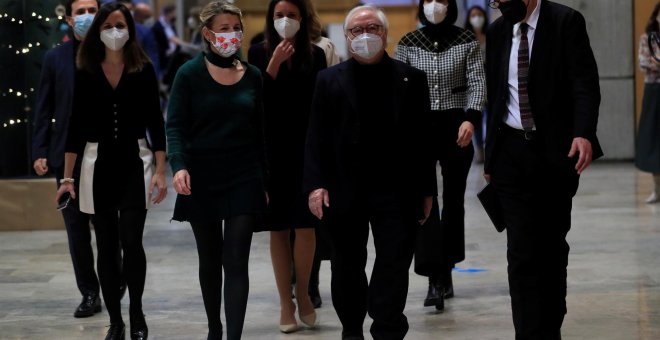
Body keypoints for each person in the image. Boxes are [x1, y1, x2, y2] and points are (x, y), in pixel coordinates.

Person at [304, 5, 436, 339]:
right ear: (346, 37)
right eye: (357, 30)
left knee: (394, 261)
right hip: (344, 187)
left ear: (386, 34)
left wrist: (427, 190)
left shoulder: (411, 78)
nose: (365, 36)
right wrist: (316, 184)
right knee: (347, 264)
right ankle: (351, 328)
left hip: (397, 189)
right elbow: (315, 136)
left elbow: (423, 139)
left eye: (373, 28)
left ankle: (387, 324)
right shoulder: (328, 80)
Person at [484, 0, 602, 338]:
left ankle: (549, 325)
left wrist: (583, 133)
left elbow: (584, 83)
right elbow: (497, 96)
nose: (501, 4)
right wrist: (492, 155)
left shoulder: (566, 21)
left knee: (550, 248)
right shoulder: (496, 31)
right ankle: (528, 332)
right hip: (510, 152)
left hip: (554, 151)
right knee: (521, 252)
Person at [55, 3, 167, 339]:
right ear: (98, 30)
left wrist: (161, 170)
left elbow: (155, 123)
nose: (115, 30)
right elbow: (74, 127)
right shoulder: (85, 68)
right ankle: (116, 321)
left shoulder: (142, 69)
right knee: (105, 244)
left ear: (131, 29)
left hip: (135, 160)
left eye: (121, 24)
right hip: (95, 164)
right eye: (109, 25)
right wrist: (67, 178)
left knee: (132, 241)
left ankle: (137, 314)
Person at [166, 2, 268, 339]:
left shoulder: (253, 76)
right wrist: (178, 166)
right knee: (209, 258)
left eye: (235, 28)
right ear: (208, 34)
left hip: (244, 173)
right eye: (223, 29)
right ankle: (214, 327)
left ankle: (234, 336)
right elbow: (176, 126)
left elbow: (262, 132)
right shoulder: (189, 74)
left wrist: (266, 180)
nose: (232, 35)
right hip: (202, 174)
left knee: (236, 258)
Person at [394, 0, 486, 311]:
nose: (436, 5)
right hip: (420, 127)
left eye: (442, 0)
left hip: (455, 124)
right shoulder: (408, 42)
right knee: (425, 201)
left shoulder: (466, 40)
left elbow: (477, 82)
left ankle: (448, 268)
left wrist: (470, 119)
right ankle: (433, 274)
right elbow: (398, 87)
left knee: (455, 201)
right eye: (429, 0)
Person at [247, 0, 326, 333]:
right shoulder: (257, 53)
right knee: (278, 229)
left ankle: (305, 293)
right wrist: (274, 64)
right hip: (272, 151)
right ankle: (285, 302)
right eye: (279, 16)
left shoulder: (316, 55)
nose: (284, 21)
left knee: (306, 227)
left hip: (306, 150)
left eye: (291, 16)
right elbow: (255, 102)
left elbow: (321, 104)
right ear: (270, 18)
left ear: (302, 19)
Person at [32, 0, 106, 320]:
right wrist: (39, 151)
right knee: (76, 229)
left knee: (107, 226)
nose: (87, 16)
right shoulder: (54, 58)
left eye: (92, 9)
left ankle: (114, 279)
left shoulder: (112, 52)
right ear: (70, 16)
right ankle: (89, 293)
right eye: (81, 11)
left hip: (106, 154)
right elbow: (44, 108)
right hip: (65, 158)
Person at [635, 2, 660, 204]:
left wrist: (656, 63)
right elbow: (644, 63)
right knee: (652, 139)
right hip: (653, 92)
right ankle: (657, 189)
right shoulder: (647, 38)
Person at [464, 5, 489, 163]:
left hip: (492, 85)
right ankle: (479, 150)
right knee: (477, 120)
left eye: (479, 14)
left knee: (493, 118)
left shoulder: (491, 35)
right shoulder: (466, 38)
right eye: (473, 15)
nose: (477, 18)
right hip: (474, 86)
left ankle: (491, 148)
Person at [117, 0, 160, 75]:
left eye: (129, 10)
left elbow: (152, 58)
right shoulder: (108, 31)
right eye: (123, 10)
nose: (126, 13)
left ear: (133, 10)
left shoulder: (145, 32)